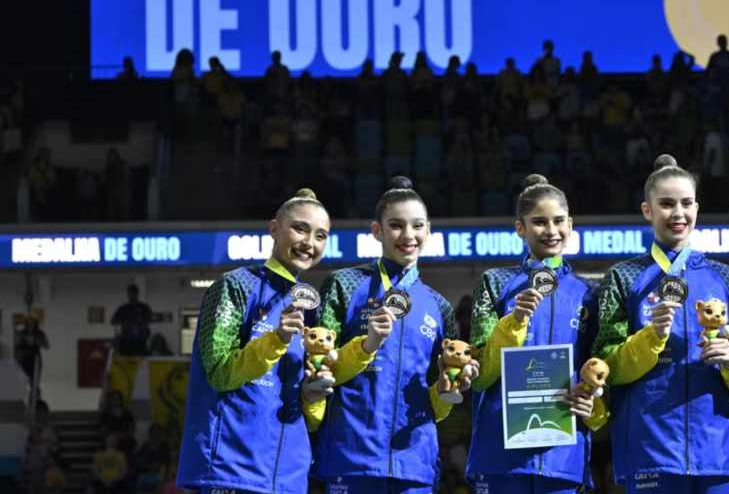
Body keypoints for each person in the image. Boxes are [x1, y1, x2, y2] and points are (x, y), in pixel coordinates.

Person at [592, 155, 729, 494]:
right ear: (647, 211)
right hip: (649, 448)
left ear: (697, 208)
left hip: (716, 450)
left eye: (686, 203)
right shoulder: (623, 278)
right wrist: (649, 337)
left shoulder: (726, 277)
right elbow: (606, 366)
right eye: (666, 204)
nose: (678, 214)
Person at [307, 176, 478, 494]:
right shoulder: (343, 286)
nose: (408, 235)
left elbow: (437, 405)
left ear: (428, 230)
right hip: (351, 458)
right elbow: (321, 370)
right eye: (396, 225)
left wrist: (444, 391)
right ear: (377, 231)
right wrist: (367, 344)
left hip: (413, 462)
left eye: (417, 226)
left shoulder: (439, 307)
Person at [177, 189, 335, 494]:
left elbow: (309, 417)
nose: (309, 242)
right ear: (274, 229)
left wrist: (313, 398)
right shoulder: (234, 286)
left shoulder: (311, 309)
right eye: (300, 228)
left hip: (289, 477)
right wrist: (276, 339)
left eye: (320, 235)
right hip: (230, 468)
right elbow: (220, 374)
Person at [465, 174, 605, 493]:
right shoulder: (495, 284)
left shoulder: (589, 293)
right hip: (500, 453)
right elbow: (482, 374)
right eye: (539, 222)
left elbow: (599, 368)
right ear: (521, 228)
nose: (551, 231)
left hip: (563, 456)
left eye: (558, 221)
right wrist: (513, 321)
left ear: (570, 225)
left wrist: (594, 407)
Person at [112, 285, 153, 357]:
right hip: (127, 340)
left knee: (141, 361)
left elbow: (150, 319)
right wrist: (126, 320)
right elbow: (113, 321)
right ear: (127, 294)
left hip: (140, 340)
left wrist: (140, 320)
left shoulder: (143, 307)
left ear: (137, 293)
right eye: (130, 293)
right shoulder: (123, 308)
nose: (132, 295)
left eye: (134, 293)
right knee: (126, 360)